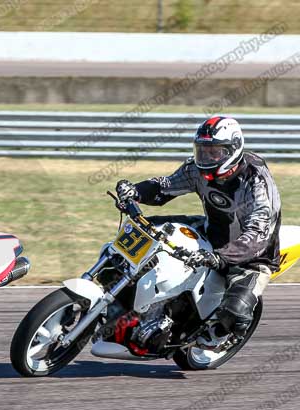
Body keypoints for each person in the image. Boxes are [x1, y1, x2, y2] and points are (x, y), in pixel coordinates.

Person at [115, 116, 282, 351]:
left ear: (233, 149)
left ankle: (224, 334)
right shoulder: (196, 169)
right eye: (203, 151)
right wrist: (136, 191)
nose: (207, 158)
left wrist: (222, 257)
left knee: (236, 310)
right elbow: (165, 186)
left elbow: (259, 232)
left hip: (251, 256)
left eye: (215, 152)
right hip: (210, 232)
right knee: (148, 229)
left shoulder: (256, 179)